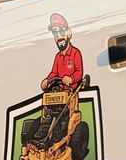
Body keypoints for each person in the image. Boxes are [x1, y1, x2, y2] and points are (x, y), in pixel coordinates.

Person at [29, 14, 85, 148]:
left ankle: (58, 134)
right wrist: (47, 80)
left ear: (68, 33)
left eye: (61, 32)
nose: (58, 36)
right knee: (48, 113)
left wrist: (71, 79)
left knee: (63, 116)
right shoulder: (58, 57)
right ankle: (43, 132)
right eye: (55, 33)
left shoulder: (75, 53)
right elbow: (54, 72)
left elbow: (79, 72)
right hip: (57, 92)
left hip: (70, 94)